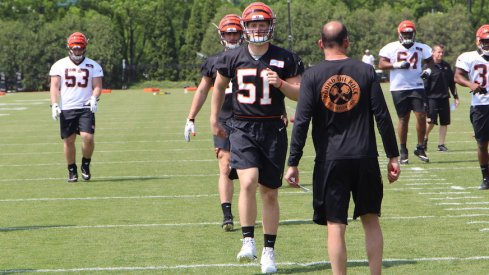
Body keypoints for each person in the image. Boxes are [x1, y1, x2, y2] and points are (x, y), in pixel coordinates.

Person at [284, 21, 400, 275]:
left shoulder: (312, 76)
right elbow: (382, 116)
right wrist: (393, 155)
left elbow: (301, 121)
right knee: (371, 220)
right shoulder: (366, 71)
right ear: (347, 41)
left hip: (330, 160)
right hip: (365, 156)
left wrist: (293, 162)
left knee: (336, 225)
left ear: (320, 43)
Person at [210, 2, 304, 274]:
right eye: (253, 25)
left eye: (262, 24)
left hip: (273, 128)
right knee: (248, 181)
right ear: (246, 27)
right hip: (242, 127)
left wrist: (282, 85)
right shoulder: (232, 58)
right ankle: (247, 239)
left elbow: (300, 93)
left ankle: (269, 252)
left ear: (270, 26)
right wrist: (213, 118)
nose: (258, 29)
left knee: (270, 193)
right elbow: (218, 88)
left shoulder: (286, 58)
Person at [184, 14, 244, 231]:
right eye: (228, 32)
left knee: (251, 172)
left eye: (236, 32)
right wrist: (191, 117)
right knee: (225, 166)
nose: (232, 36)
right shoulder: (214, 61)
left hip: (250, 118)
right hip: (224, 119)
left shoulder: (253, 57)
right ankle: (227, 214)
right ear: (221, 35)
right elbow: (202, 90)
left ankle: (250, 212)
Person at [49, 32, 103, 182]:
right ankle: (72, 169)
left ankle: (85, 164)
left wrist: (94, 97)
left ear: (85, 48)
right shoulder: (59, 65)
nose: (77, 51)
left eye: (80, 48)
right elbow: (54, 86)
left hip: (85, 106)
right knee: (69, 140)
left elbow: (98, 85)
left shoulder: (93, 65)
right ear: (69, 48)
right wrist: (54, 104)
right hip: (67, 107)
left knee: (88, 137)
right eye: (75, 48)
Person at [378, 20, 433, 164]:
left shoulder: (422, 48)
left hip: (417, 86)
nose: (408, 35)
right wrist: (396, 65)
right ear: (399, 34)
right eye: (405, 33)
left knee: (421, 116)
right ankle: (403, 150)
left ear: (414, 33)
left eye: (410, 33)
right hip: (399, 87)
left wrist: (428, 70)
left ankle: (420, 147)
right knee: (403, 118)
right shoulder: (391, 47)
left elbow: (430, 62)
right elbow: (381, 64)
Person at [454, 24, 489, 190]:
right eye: (485, 41)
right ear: (478, 41)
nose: (488, 44)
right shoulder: (468, 57)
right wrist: (470, 84)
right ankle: (486, 177)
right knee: (482, 144)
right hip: (480, 106)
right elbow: (457, 76)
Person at [423, 44, 459, 152]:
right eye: (438, 52)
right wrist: (424, 101)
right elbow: (424, 85)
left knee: (444, 122)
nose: (441, 54)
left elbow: (452, 83)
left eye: (442, 52)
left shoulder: (447, 66)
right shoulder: (428, 66)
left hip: (444, 98)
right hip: (431, 98)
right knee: (431, 121)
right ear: (433, 53)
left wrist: (456, 96)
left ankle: (441, 144)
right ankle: (424, 138)